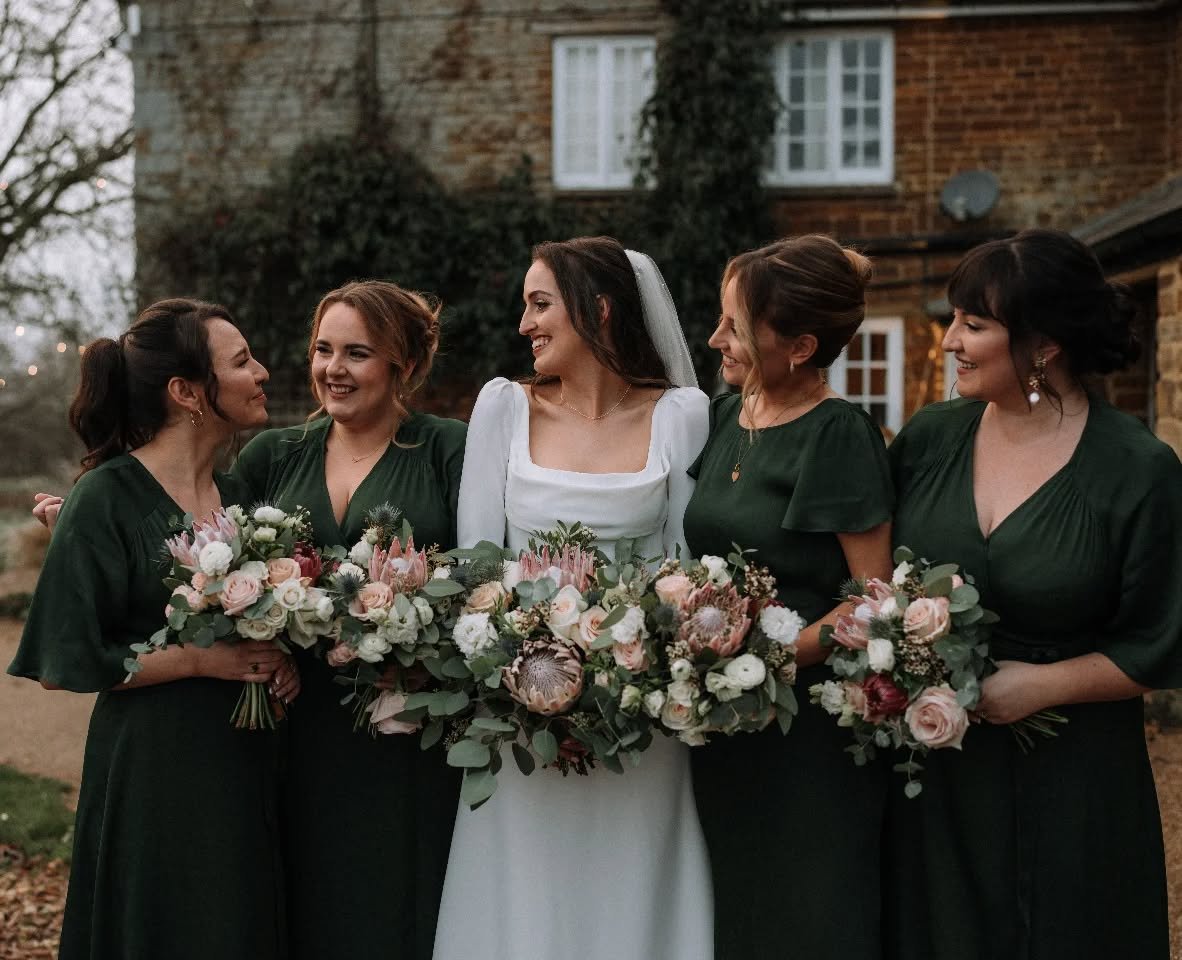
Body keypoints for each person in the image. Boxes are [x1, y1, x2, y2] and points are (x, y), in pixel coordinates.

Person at [883, 229, 1182, 960]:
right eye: (955, 318)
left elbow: (1163, 641)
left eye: (973, 324)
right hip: (940, 777)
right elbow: (871, 581)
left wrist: (1041, 686)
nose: (950, 339)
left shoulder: (1136, 469)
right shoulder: (928, 439)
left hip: (1074, 781)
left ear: (1043, 344)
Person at [432, 237, 712, 960]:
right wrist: (518, 672)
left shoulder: (680, 415)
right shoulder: (503, 408)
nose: (524, 323)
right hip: (522, 717)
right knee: (527, 893)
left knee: (631, 888)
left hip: (639, 719)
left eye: (540, 303)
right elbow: (475, 569)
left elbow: (685, 572)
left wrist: (632, 676)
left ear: (601, 309)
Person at [8, 299, 298, 960]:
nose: (262, 373)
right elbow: (65, 662)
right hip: (155, 767)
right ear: (186, 391)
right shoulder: (103, 497)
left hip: (245, 763)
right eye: (241, 361)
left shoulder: (245, 501)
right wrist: (199, 664)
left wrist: (278, 659)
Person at [232, 280, 465, 960]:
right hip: (297, 723)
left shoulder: (449, 449)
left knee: (398, 900)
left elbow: (489, 572)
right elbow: (201, 544)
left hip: (408, 721)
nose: (333, 369)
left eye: (357, 353)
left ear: (404, 366)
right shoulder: (273, 456)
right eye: (322, 349)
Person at [683, 235, 894, 960]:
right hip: (722, 725)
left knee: (806, 915)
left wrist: (766, 653)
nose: (716, 340)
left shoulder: (838, 435)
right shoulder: (725, 416)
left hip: (806, 736)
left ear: (801, 345)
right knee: (731, 911)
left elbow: (875, 603)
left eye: (735, 328)